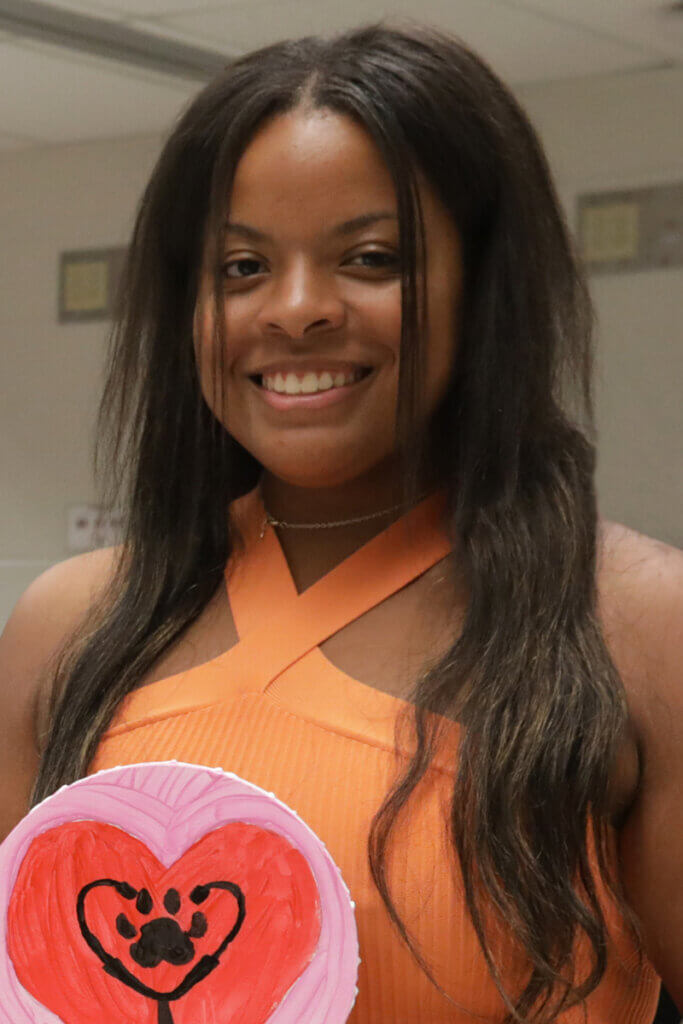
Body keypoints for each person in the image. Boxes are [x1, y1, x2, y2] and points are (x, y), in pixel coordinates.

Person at [0, 21, 681, 1024]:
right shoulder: (69, 626)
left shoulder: (636, 625)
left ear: (479, 290)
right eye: (240, 267)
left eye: (368, 258)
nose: (296, 310)